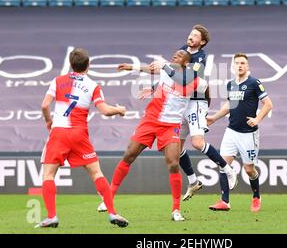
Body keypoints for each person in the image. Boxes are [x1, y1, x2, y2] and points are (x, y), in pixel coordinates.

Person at [112, 25, 237, 204]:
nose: (191, 37)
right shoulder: (183, 50)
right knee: (175, 148)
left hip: (196, 101)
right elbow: (166, 71)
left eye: (195, 35)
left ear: (202, 42)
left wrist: (206, 109)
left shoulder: (201, 58)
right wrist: (135, 68)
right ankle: (193, 181)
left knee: (197, 142)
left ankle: (227, 168)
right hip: (183, 102)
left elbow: (184, 79)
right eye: (191, 33)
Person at [106, 49, 207, 222]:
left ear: (186, 63)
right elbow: (152, 69)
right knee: (129, 155)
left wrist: (204, 111)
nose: (175, 55)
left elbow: (182, 82)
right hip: (150, 120)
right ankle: (107, 199)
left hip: (171, 126)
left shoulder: (193, 79)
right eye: (174, 53)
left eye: (180, 55)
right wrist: (132, 67)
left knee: (173, 164)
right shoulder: (166, 71)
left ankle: (176, 210)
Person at [37, 48, 129, 228]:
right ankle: (112, 213)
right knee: (96, 173)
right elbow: (104, 110)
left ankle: (52, 216)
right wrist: (119, 110)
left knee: (48, 175)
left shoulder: (58, 81)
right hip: (79, 134)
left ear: (70, 65)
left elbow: (44, 105)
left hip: (59, 132)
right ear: (89, 65)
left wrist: (49, 121)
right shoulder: (93, 86)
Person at [206, 53, 273, 212]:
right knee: (223, 165)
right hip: (231, 131)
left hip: (248, 134)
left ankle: (256, 196)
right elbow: (230, 105)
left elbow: (268, 104)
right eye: (237, 63)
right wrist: (213, 118)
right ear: (233, 66)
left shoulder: (254, 83)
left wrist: (257, 119)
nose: (240, 65)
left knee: (249, 170)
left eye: (243, 63)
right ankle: (225, 201)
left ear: (247, 66)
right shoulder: (230, 84)